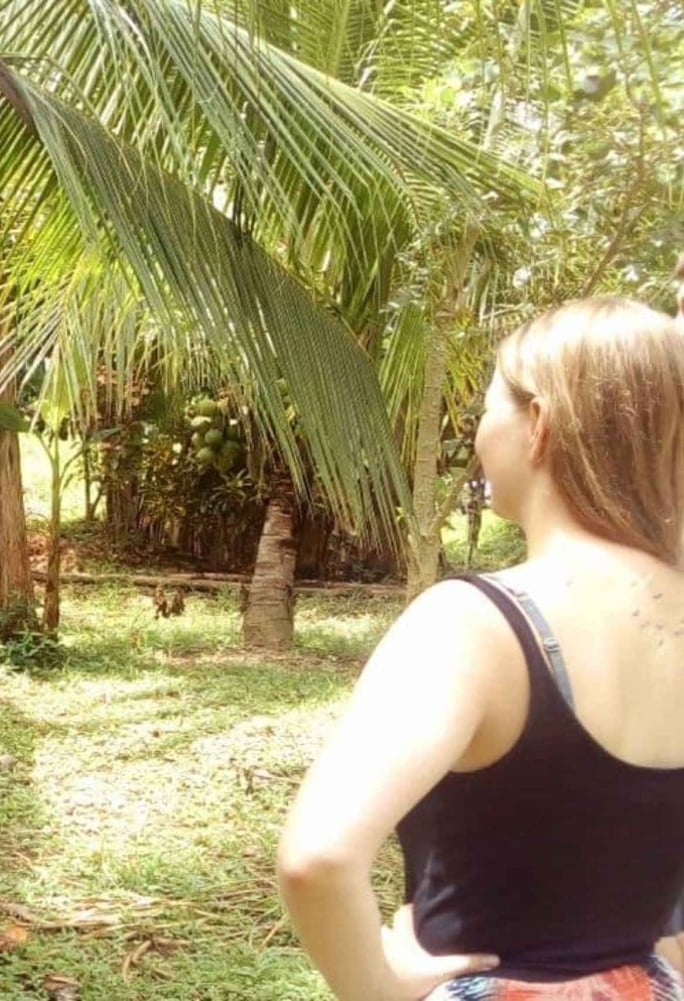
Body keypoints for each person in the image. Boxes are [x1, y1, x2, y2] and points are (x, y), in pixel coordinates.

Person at [277, 296, 684, 1000]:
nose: (476, 436)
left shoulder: (472, 624)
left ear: (540, 425)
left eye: (487, 408)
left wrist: (381, 987)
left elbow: (318, 856)